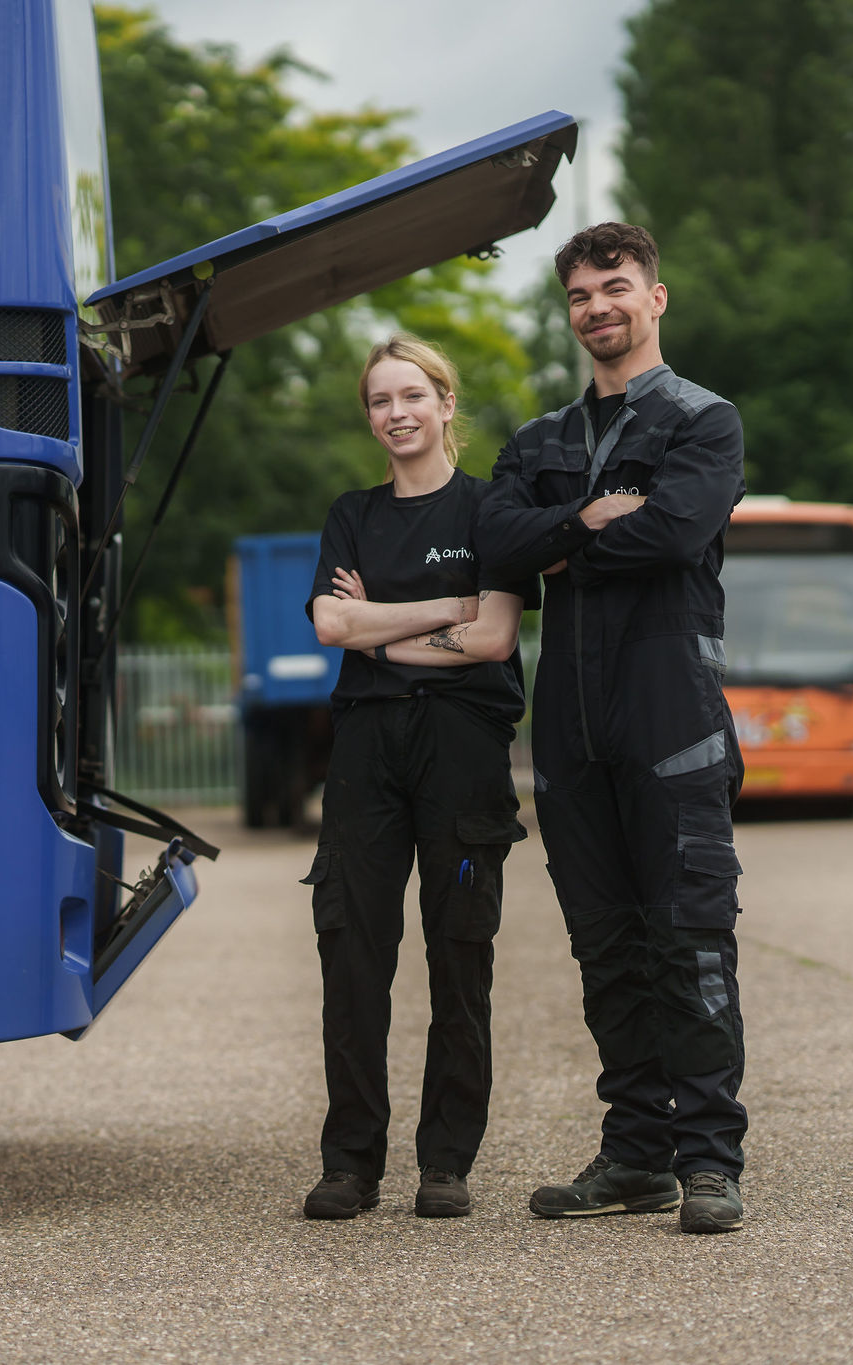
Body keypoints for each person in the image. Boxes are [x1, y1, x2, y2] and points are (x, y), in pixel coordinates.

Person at [474, 223, 750, 1234]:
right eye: (581, 294)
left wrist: (554, 543)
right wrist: (588, 518)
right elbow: (490, 541)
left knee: (688, 941)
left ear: (654, 298)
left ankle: (709, 1159)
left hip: (671, 719)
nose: (598, 307)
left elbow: (674, 532)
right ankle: (636, 1155)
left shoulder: (703, 421)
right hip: (569, 733)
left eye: (616, 287)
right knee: (606, 948)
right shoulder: (536, 440)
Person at [300, 333, 538, 1221]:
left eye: (411, 396)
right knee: (352, 956)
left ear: (445, 404)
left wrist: (380, 627)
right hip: (366, 751)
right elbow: (333, 625)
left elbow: (493, 638)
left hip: (462, 750)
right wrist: (442, 610)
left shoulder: (491, 510)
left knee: (459, 952)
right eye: (379, 400)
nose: (395, 413)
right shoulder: (352, 514)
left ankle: (445, 1161)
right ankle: (350, 1162)